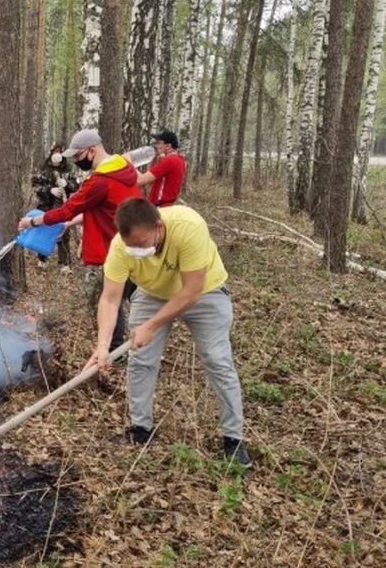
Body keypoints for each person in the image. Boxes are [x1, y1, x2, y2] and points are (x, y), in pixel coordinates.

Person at [85, 198, 251, 467]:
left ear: (159, 228)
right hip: (152, 294)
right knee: (141, 360)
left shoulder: (188, 226)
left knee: (217, 361)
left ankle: (234, 441)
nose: (135, 251)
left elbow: (191, 290)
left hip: (205, 291)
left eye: (141, 244)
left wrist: (151, 326)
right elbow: (110, 299)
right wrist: (102, 345)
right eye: (131, 246)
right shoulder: (119, 248)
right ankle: (141, 430)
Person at [17, 129, 141, 350]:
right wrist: (68, 225)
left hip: (117, 249)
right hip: (134, 245)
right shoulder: (124, 169)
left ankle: (114, 351)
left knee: (107, 301)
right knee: (130, 297)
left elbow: (68, 209)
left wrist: (33, 222)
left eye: (77, 156)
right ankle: (125, 344)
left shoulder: (100, 181)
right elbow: (101, 209)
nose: (75, 161)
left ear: (91, 151)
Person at [136, 130, 186, 207]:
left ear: (168, 146)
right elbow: (149, 180)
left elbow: (140, 180)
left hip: (160, 208)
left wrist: (128, 164)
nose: (156, 146)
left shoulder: (169, 161)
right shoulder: (179, 159)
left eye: (159, 143)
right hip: (167, 206)